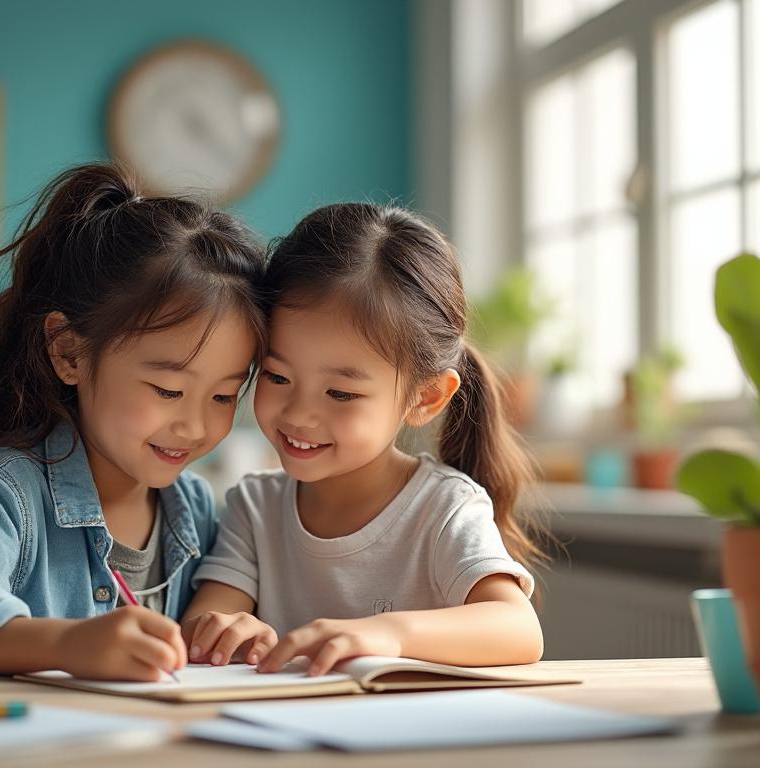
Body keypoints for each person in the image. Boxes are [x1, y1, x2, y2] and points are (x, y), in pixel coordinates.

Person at [0, 163, 267, 680]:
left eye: (223, 396)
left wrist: (236, 634)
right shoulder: (9, 491)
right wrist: (67, 643)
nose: (195, 426)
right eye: (168, 390)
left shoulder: (193, 507)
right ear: (69, 352)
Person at [183, 202, 546, 676]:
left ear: (427, 397)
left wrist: (386, 634)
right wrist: (224, 632)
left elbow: (519, 629)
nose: (299, 414)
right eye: (276, 377)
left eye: (340, 392)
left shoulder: (443, 509)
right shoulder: (256, 508)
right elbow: (203, 623)